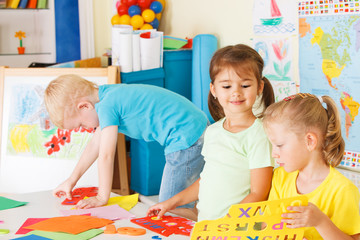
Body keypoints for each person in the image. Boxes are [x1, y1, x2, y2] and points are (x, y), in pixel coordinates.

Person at [147, 44, 275, 221]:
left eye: (245, 85)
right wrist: (171, 202)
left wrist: (228, 222)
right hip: (206, 224)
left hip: (234, 228)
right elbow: (205, 180)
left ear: (259, 87)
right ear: (214, 90)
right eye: (226, 86)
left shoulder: (259, 134)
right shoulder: (213, 131)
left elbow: (259, 193)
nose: (236, 92)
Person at [44, 77, 209, 209]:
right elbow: (95, 145)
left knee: (170, 206)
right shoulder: (107, 96)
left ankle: (213, 229)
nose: (84, 129)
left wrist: (102, 197)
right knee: (175, 203)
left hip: (186, 136)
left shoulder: (107, 106)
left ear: (85, 106)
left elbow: (106, 155)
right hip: (192, 128)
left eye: (80, 124)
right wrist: (71, 180)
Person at [263, 93, 360, 240]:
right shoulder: (280, 177)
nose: (274, 153)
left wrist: (320, 222)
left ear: (309, 141)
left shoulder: (342, 190)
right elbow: (268, 226)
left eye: (279, 145)